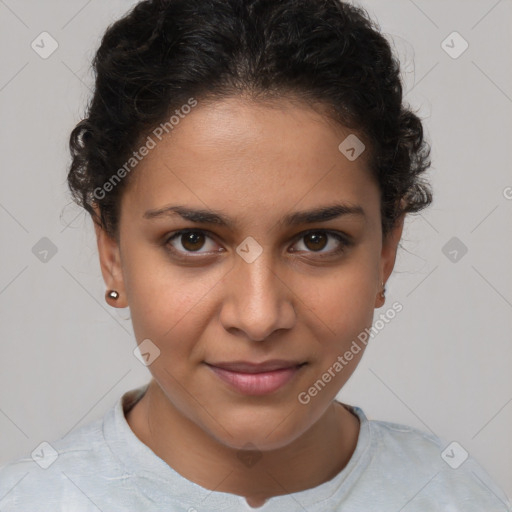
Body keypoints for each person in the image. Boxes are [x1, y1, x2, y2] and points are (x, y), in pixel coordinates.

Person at [0, 0, 510, 510]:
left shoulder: (458, 497)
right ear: (111, 252)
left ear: (386, 248)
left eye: (317, 240)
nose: (260, 317)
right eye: (193, 240)